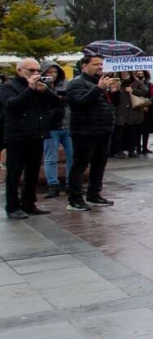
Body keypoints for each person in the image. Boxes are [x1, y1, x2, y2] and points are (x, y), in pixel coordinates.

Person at [4, 59, 61, 218]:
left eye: (38, 71)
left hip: (37, 133)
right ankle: (13, 206)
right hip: (17, 135)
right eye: (31, 70)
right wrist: (30, 89)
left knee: (33, 171)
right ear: (20, 71)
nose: (36, 74)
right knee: (14, 173)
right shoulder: (8, 87)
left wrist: (45, 91)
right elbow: (12, 106)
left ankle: (28, 203)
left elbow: (56, 103)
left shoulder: (38, 87)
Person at [64, 54, 118, 212]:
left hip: (103, 130)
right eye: (96, 64)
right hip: (84, 131)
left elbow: (112, 105)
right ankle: (75, 198)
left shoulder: (99, 83)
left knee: (99, 164)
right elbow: (79, 103)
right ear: (84, 66)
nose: (100, 67)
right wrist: (99, 89)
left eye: (101, 64)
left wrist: (114, 92)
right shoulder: (77, 83)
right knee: (80, 164)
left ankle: (94, 194)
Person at [38, 66, 72, 199]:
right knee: (50, 158)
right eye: (49, 72)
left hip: (66, 124)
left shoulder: (64, 85)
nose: (53, 75)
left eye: (55, 72)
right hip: (51, 127)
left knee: (72, 156)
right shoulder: (40, 87)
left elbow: (69, 101)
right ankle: (53, 185)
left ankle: (71, 183)